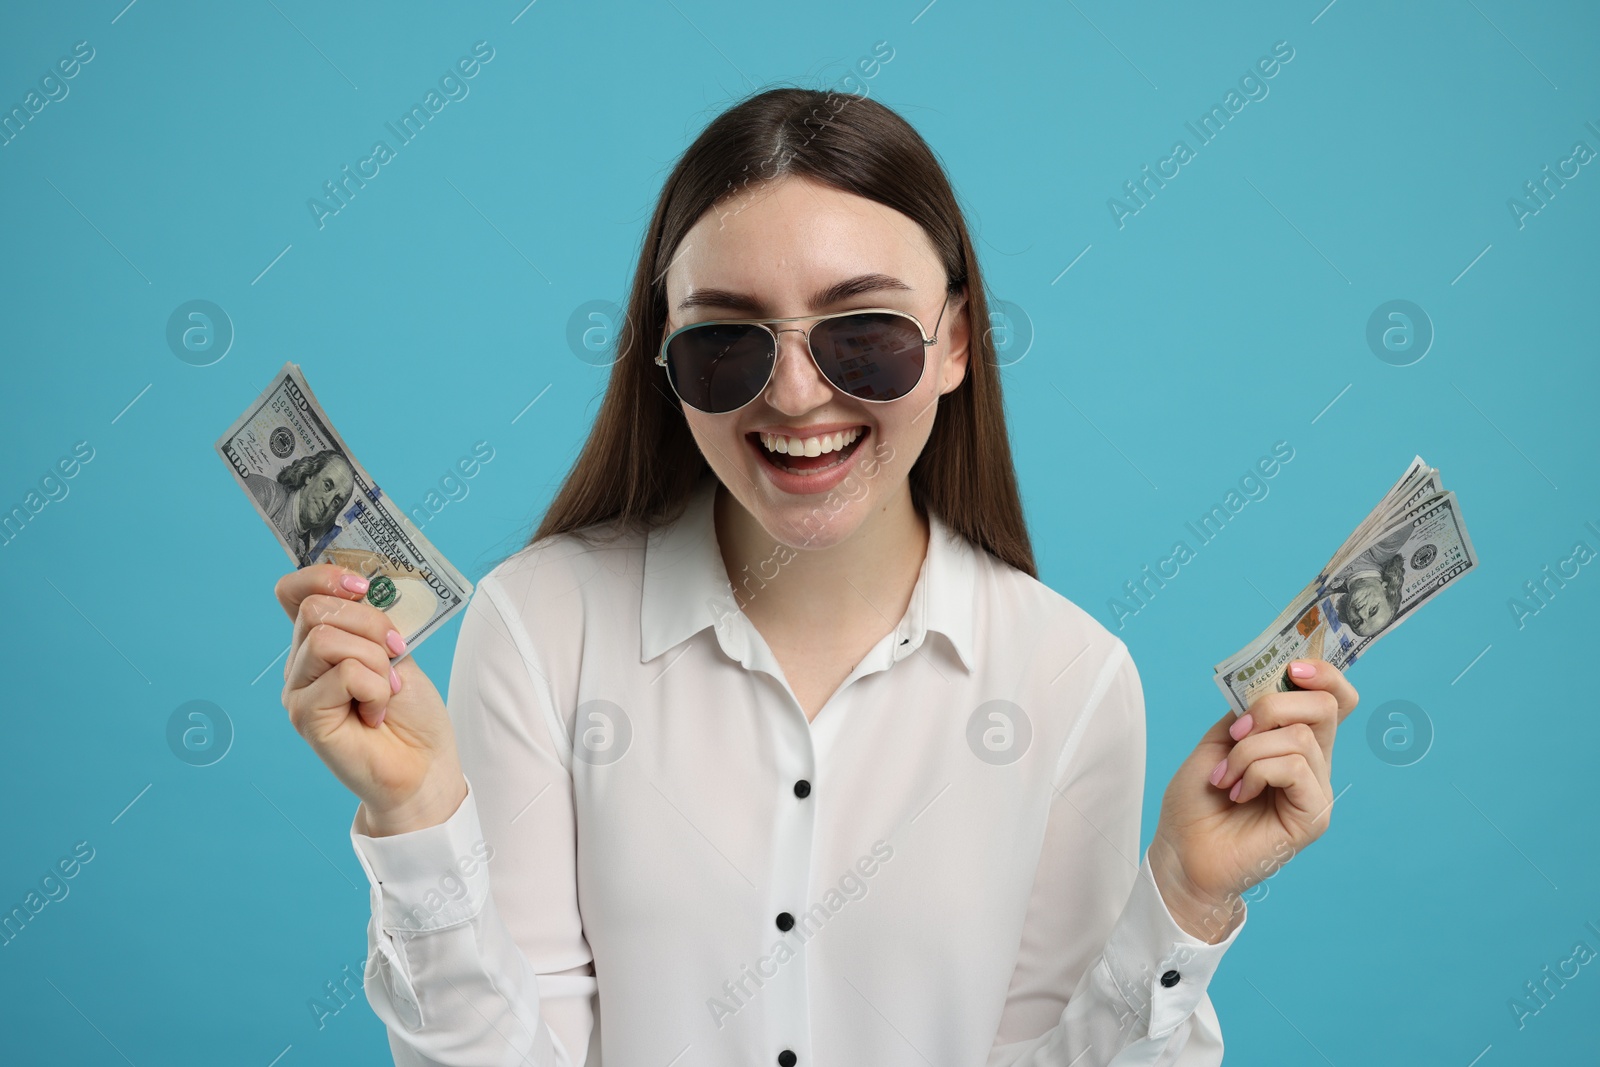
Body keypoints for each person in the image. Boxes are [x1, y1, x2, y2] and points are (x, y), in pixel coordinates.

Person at [272, 88, 1358, 1065]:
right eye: (726, 343)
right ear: (663, 361)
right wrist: (417, 815)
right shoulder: (542, 623)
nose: (794, 395)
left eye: (865, 334)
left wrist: (1187, 899)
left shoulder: (1071, 679)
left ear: (956, 342)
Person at [245, 449, 354, 566]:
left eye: (336, 501)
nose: (327, 503)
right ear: (310, 476)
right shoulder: (263, 492)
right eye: (327, 485)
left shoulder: (306, 560)